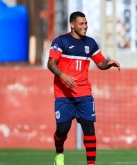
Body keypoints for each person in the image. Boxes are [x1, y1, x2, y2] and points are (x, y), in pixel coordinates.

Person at [47, 11, 120, 165]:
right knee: (62, 131)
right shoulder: (61, 42)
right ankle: (59, 153)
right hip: (63, 95)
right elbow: (51, 63)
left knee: (89, 129)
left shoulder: (90, 43)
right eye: (81, 23)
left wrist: (109, 63)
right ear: (72, 25)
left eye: (86, 23)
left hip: (84, 94)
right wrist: (63, 75)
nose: (85, 26)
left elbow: (100, 63)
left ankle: (91, 164)